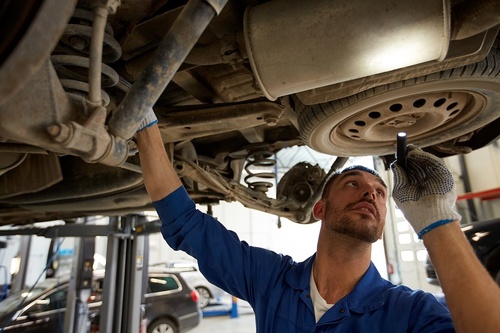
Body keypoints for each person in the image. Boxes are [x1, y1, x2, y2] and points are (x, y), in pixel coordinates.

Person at [135, 111, 500, 332]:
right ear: (320, 209)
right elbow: (186, 223)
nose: (371, 193)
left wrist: (438, 220)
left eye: (379, 191)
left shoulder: (409, 311)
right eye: (353, 183)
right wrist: (145, 125)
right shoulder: (271, 281)